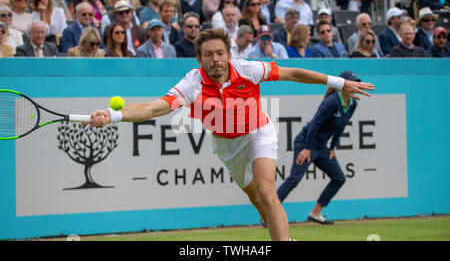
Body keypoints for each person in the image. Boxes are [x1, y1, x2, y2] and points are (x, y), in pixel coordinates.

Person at [84, 28, 374, 241]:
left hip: (258, 132)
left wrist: (338, 83)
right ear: (199, 58)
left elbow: (293, 73)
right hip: (226, 145)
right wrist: (114, 115)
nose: (215, 59)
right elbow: (154, 108)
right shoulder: (192, 83)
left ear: (228, 54)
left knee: (266, 189)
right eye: (208, 55)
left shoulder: (247, 69)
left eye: (220, 53)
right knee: (258, 199)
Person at [277, 70, 361, 225]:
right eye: (350, 82)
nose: (355, 85)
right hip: (305, 143)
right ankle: (268, 214)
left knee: (339, 178)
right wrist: (307, 148)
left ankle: (316, 212)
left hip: (321, 147)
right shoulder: (332, 101)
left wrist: (332, 148)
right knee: (294, 179)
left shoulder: (353, 103)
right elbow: (315, 123)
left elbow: (342, 126)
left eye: (356, 82)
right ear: (341, 85)